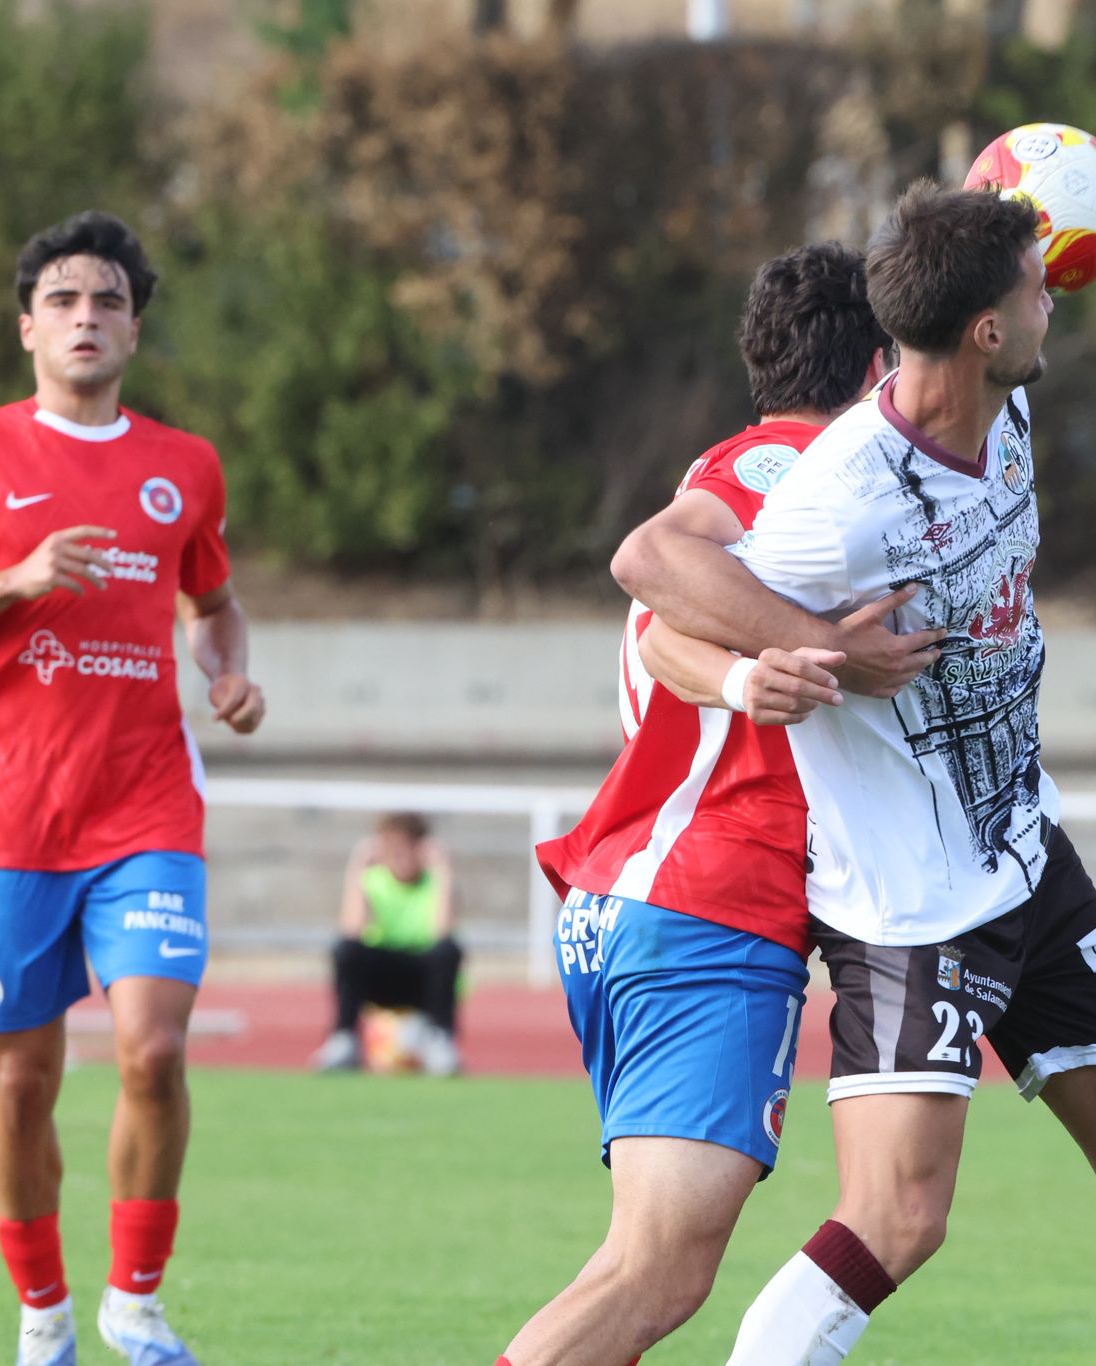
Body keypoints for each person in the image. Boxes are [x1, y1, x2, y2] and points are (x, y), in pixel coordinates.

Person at [617, 182, 1096, 1365]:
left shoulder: (1007, 410)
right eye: (1036, 291)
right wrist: (797, 657)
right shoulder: (837, 502)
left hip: (1024, 856)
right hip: (909, 908)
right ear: (986, 330)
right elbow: (649, 581)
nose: (1056, 304)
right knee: (897, 1218)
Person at [496, 241, 938, 1366]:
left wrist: (751, 670)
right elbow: (648, 571)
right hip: (707, 905)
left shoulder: (725, 464)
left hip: (642, 900)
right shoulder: (801, 473)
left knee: (636, 1266)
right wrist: (804, 653)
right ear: (882, 358)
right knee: (657, 1272)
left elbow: (666, 625)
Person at [0, 212, 266, 1366]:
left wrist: (227, 669)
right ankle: (44, 1314)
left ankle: (136, 1299)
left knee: (153, 1049)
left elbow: (212, 599)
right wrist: (15, 580)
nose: (88, 317)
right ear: (27, 325)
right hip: (4, 818)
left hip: (144, 810)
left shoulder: (184, 465)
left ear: (135, 327)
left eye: (110, 302)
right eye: (66, 301)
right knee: (25, 1078)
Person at [312, 811, 466, 1076]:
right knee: (346, 950)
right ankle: (344, 1039)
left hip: (423, 977)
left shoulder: (435, 883)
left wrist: (443, 871)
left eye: (406, 848)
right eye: (391, 849)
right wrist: (357, 868)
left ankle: (441, 1039)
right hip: (382, 974)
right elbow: (351, 931)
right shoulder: (374, 881)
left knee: (448, 951)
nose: (399, 856)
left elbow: (443, 933)